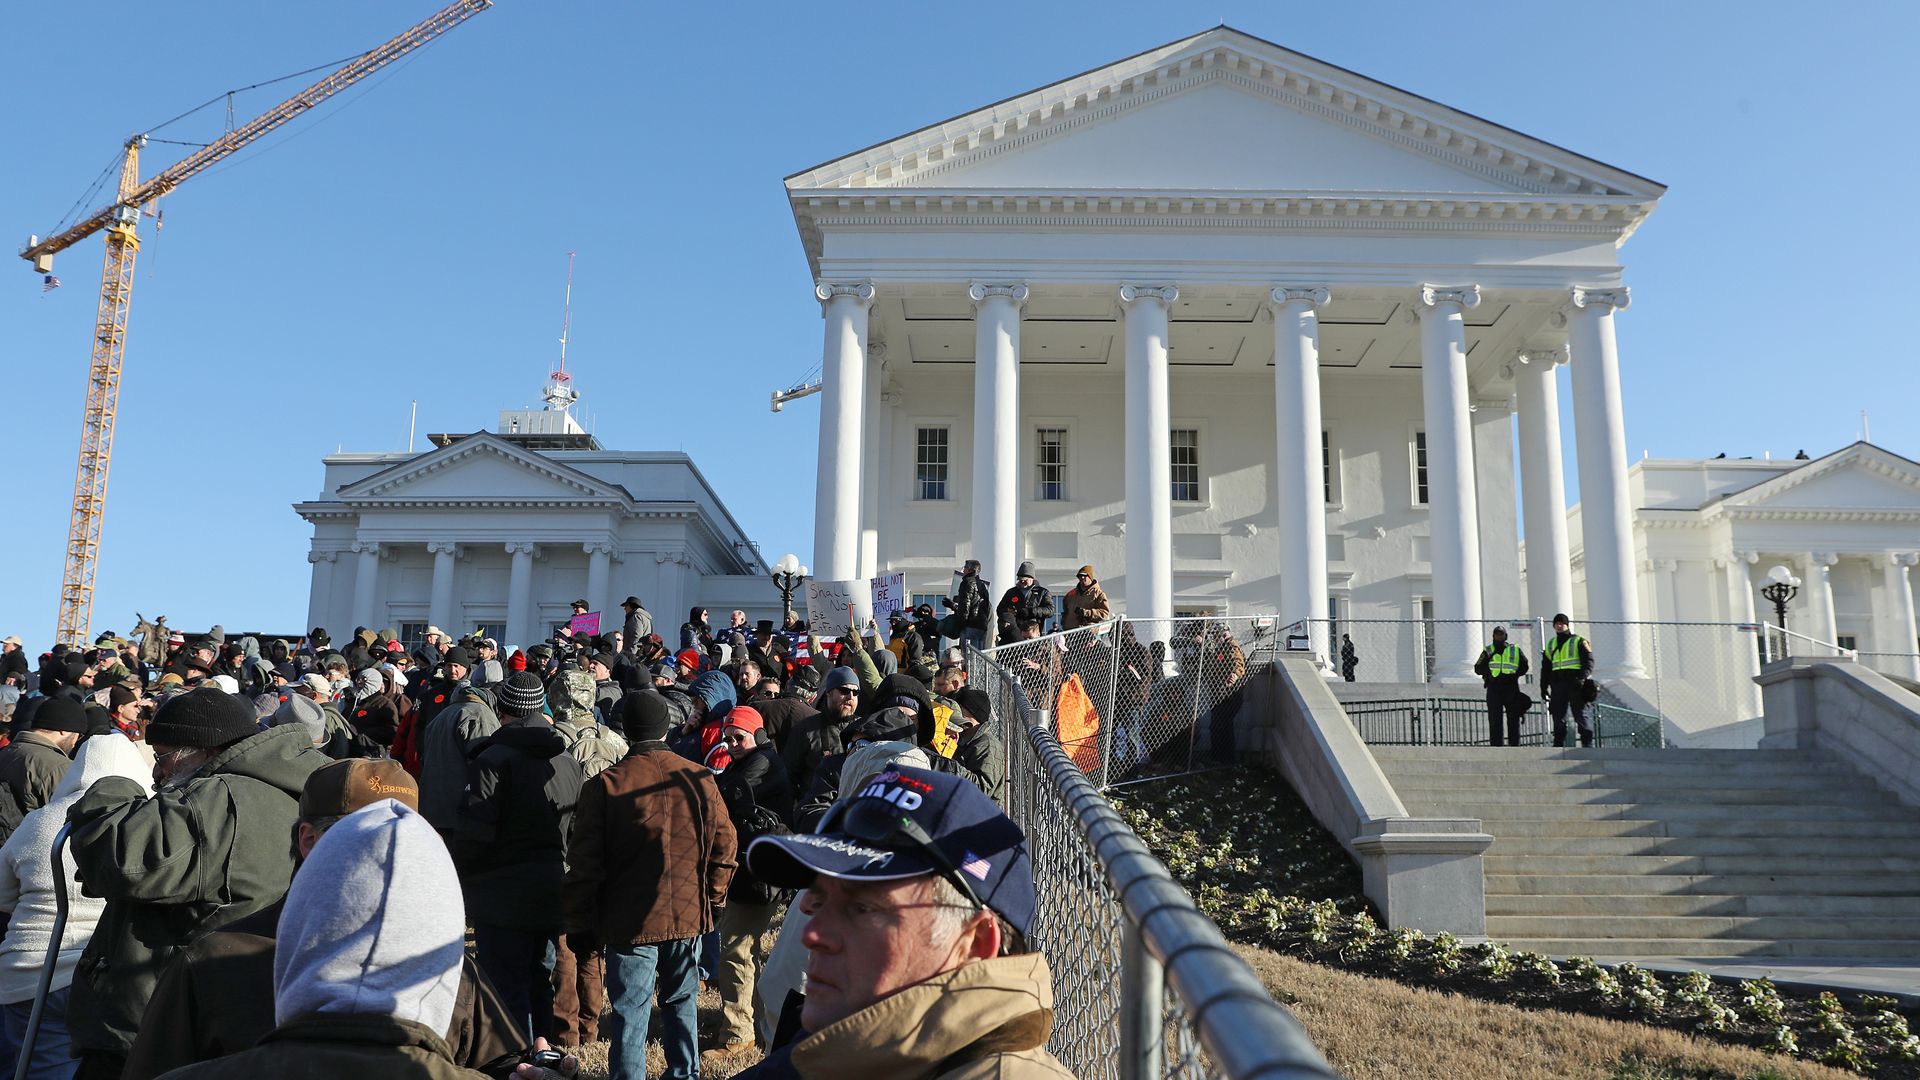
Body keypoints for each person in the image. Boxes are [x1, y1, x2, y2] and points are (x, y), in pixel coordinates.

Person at [122, 759, 527, 1080]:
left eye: (407, 837)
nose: (391, 851)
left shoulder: (451, 964)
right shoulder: (214, 959)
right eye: (363, 838)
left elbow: (501, 1062)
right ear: (309, 841)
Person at [735, 764, 1070, 1079]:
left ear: (975, 944)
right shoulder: (843, 1049)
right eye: (818, 901)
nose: (813, 934)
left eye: (863, 909)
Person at [67, 688, 328, 1079]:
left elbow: (117, 857)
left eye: (163, 758)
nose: (157, 772)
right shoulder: (297, 790)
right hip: (244, 1008)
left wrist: (113, 788)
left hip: (159, 1023)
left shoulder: (214, 799)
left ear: (204, 750)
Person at [564, 691, 736, 1080]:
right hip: (687, 910)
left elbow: (583, 865)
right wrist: (715, 898)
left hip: (631, 918)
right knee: (681, 1001)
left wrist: (579, 922)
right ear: (667, 727)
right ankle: (684, 1074)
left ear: (624, 729)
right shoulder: (698, 778)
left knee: (630, 1010)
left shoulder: (606, 785)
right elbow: (726, 845)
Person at [0, 733, 151, 1079]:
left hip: (28, 969)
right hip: (109, 970)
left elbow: (3, 894)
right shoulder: (146, 821)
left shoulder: (40, 820)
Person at [450, 671, 585, 1040]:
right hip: (550, 884)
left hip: (502, 891)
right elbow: (576, 831)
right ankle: (541, 1053)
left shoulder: (493, 760)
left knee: (503, 987)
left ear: (504, 710)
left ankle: (515, 1059)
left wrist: (461, 880)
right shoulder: (569, 763)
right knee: (540, 978)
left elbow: (474, 833)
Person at [708, 706, 793, 1057]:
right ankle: (755, 1024)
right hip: (756, 872)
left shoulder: (761, 764)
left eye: (737, 737)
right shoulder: (750, 762)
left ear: (757, 735)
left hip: (757, 877)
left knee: (736, 952)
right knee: (744, 951)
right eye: (727, 737)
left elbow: (724, 797)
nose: (730, 744)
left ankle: (736, 1036)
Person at [0, 696, 84, 844]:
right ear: (64, 730)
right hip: (30, 852)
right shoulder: (59, 767)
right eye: (78, 735)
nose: (75, 743)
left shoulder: (6, 752)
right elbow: (70, 825)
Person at [1541, 613, 1595, 748]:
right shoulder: (1550, 644)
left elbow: (1589, 662)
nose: (1559, 626)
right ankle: (1558, 743)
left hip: (1575, 683)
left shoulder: (1579, 641)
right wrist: (1543, 686)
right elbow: (1546, 668)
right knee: (1558, 715)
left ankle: (1587, 743)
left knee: (1580, 714)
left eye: (1562, 623)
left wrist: (1581, 679)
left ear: (1567, 625)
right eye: (1556, 623)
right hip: (1558, 684)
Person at [1473, 626, 1532, 747]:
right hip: (1494, 687)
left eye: (1501, 634)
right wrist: (1488, 674)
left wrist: (1515, 675)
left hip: (1511, 687)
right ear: (1493, 636)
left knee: (1513, 717)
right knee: (1495, 718)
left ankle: (1514, 745)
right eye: (1497, 634)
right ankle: (1496, 746)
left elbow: (1524, 665)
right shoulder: (1488, 650)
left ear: (1506, 636)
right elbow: (1477, 668)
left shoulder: (1514, 649)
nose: (1499, 637)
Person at [995, 561, 1055, 643]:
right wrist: (1009, 612)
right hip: (1013, 635)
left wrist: (1030, 611)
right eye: (1020, 580)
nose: (1022, 582)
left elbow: (1050, 610)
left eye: (1024, 580)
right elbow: (1000, 609)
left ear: (1032, 578)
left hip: (1032, 634)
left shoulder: (1043, 592)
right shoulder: (1011, 592)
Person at [941, 560, 992, 649]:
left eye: (965, 568)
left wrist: (959, 624)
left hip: (970, 625)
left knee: (967, 657)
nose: (963, 570)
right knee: (977, 658)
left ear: (970, 570)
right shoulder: (982, 585)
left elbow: (965, 607)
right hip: (981, 626)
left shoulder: (967, 582)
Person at [1060, 565, 1111, 630]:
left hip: (1087, 633)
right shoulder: (1071, 595)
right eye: (1080, 576)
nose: (1082, 578)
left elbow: (1104, 613)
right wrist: (1064, 621)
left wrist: (1086, 613)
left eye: (1084, 575)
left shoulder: (1098, 594)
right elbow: (1065, 612)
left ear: (1090, 577)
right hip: (1070, 633)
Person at [619, 597, 654, 663]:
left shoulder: (636, 617)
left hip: (634, 656)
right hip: (641, 655)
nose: (624, 609)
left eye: (626, 606)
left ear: (631, 606)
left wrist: (630, 656)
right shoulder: (645, 618)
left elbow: (636, 637)